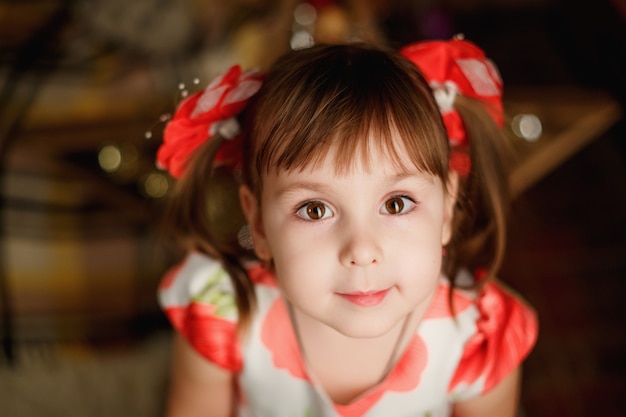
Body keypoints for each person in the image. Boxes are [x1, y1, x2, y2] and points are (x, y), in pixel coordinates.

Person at [156, 38, 538, 417]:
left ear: (446, 210)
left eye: (396, 203)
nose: (361, 250)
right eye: (315, 209)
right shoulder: (222, 312)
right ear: (257, 221)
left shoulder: (476, 339)